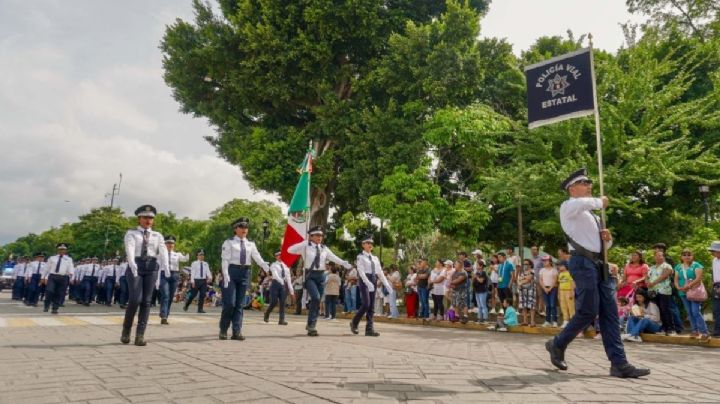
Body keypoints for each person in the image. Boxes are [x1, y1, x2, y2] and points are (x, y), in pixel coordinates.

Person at [546, 168, 649, 378]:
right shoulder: (569, 207)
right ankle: (557, 343)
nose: (589, 185)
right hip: (582, 263)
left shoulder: (593, 216)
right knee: (589, 310)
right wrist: (601, 201)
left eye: (589, 182)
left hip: (597, 263)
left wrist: (607, 239)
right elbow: (587, 203)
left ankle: (619, 363)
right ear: (571, 188)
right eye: (584, 182)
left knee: (610, 313)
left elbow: (601, 244)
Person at [288, 226, 351, 337]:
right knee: (316, 297)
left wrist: (344, 263)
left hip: (321, 276)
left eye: (321, 235)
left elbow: (333, 257)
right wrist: (303, 243)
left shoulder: (323, 248)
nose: (319, 237)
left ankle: (311, 325)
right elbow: (290, 250)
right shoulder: (305, 246)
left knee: (317, 301)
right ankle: (311, 325)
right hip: (309, 275)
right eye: (317, 235)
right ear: (311, 236)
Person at [121, 205, 170, 346]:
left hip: (151, 267)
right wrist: (131, 262)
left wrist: (165, 265)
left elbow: (163, 251)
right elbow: (129, 248)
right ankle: (126, 330)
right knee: (135, 299)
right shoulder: (131, 233)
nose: (148, 220)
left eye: (151, 218)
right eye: (145, 217)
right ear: (139, 218)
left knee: (147, 302)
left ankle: (140, 335)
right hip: (136, 265)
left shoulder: (157, 235)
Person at [219, 217, 270, 340]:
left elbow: (258, 258)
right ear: (235, 229)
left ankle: (237, 331)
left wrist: (268, 269)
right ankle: (223, 329)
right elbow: (225, 260)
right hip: (231, 271)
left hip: (245, 272)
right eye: (241, 227)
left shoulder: (250, 244)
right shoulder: (229, 242)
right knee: (230, 304)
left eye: (246, 227)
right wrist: (225, 274)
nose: (244, 229)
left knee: (239, 304)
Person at [351, 237, 392, 336]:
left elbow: (380, 272)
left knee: (371, 306)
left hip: (373, 279)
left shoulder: (375, 258)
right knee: (366, 304)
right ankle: (354, 322)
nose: (370, 245)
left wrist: (386, 284)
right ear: (363, 245)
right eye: (367, 243)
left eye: (371, 243)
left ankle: (369, 329)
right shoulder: (360, 257)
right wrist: (367, 282)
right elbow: (360, 271)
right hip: (365, 280)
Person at [674, 249, 711, 342]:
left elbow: (698, 278)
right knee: (689, 312)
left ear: (692, 256)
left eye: (689, 255)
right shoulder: (678, 267)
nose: (687, 256)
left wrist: (688, 286)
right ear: (681, 257)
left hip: (694, 291)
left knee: (695, 312)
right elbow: (676, 279)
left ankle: (705, 333)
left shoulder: (697, 265)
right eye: (684, 255)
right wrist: (678, 287)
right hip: (683, 292)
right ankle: (695, 331)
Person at [159, 236, 188, 324]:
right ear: (165, 244)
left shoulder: (177, 254)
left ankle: (165, 314)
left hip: (174, 275)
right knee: (165, 295)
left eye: (172, 243)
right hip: (164, 274)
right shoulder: (160, 254)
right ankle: (164, 315)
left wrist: (187, 254)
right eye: (168, 243)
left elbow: (185, 259)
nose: (170, 245)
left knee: (171, 296)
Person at [646, 250, 675, 336]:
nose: (659, 257)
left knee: (665, 309)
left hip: (664, 291)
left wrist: (653, 283)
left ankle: (671, 328)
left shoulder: (667, 266)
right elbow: (646, 276)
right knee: (658, 310)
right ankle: (663, 328)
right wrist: (647, 282)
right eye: (657, 255)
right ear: (654, 257)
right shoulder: (652, 267)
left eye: (661, 255)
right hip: (653, 291)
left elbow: (664, 276)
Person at [42, 244, 75, 314]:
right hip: (53, 276)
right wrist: (43, 277)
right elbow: (46, 268)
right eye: (60, 249)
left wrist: (71, 274)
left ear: (65, 250)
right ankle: (46, 305)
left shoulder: (69, 259)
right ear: (58, 250)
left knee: (59, 293)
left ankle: (55, 308)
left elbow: (71, 267)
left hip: (63, 277)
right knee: (49, 291)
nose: (62, 251)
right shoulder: (52, 258)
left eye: (63, 249)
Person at [264, 251, 294, 325]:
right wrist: (282, 282)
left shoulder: (286, 267)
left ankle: (281, 320)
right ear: (276, 257)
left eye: (281, 255)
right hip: (275, 284)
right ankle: (267, 313)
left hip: (283, 285)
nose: (280, 256)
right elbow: (275, 275)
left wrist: (292, 292)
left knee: (282, 302)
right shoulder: (273, 265)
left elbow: (289, 279)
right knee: (274, 302)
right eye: (278, 255)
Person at [539, 256, 559, 327]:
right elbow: (541, 280)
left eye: (546, 260)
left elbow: (555, 280)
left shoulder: (554, 270)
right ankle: (547, 321)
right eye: (543, 261)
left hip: (553, 288)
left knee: (553, 305)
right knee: (547, 305)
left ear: (550, 261)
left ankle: (555, 321)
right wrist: (544, 288)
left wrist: (550, 288)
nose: (544, 262)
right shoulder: (542, 270)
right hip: (545, 288)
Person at [518, 259, 537, 327]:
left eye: (526, 264)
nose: (525, 265)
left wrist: (522, 281)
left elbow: (529, 278)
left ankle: (532, 321)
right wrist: (522, 280)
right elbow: (519, 279)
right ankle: (525, 321)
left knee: (531, 306)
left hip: (531, 291)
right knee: (524, 306)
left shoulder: (532, 271)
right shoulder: (521, 272)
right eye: (524, 264)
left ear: (530, 265)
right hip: (523, 291)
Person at [557, 260, 575, 328]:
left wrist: (571, 292)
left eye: (561, 265)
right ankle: (565, 320)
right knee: (563, 306)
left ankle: (572, 321)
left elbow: (572, 283)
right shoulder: (560, 274)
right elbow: (559, 284)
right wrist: (558, 293)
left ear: (565, 266)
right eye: (559, 266)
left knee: (570, 306)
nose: (560, 267)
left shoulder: (569, 273)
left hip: (568, 291)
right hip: (562, 291)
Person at [472, 259, 489, 323]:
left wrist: (476, 277)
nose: (476, 266)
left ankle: (485, 318)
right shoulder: (476, 273)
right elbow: (474, 282)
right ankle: (480, 317)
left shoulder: (483, 273)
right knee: (479, 305)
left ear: (481, 266)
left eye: (477, 265)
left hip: (482, 291)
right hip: (477, 291)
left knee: (483, 305)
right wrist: (474, 278)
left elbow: (481, 281)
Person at [709, 241, 720, 337]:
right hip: (716, 285)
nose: (713, 252)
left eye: (714, 250)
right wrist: (712, 283)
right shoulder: (714, 260)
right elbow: (713, 273)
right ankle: (717, 331)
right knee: (716, 310)